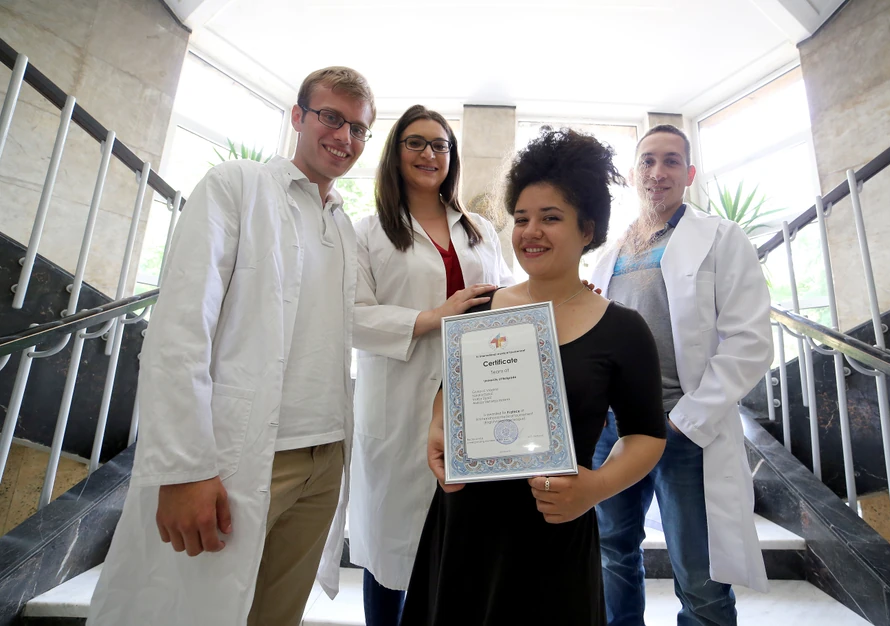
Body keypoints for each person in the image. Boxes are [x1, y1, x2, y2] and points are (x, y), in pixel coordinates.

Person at [87, 67, 376, 626]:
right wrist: (183, 469)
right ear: (298, 117)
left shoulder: (343, 225)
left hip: (324, 460)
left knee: (276, 616)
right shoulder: (238, 185)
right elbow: (179, 330)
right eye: (331, 118)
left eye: (359, 128)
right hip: (239, 459)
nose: (345, 137)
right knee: (192, 614)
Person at [401, 128, 668, 626]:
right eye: (522, 218)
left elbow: (646, 435)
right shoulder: (481, 308)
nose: (531, 232)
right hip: (465, 526)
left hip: (554, 528)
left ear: (587, 229)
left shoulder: (622, 329)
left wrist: (595, 487)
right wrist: (438, 430)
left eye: (551, 217)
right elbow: (449, 393)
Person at [590, 124, 774, 626]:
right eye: (647, 161)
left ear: (689, 174)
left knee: (699, 574)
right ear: (633, 175)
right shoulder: (609, 253)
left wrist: (685, 419)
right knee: (611, 553)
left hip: (682, 426)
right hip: (613, 428)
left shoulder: (721, 238)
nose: (658, 171)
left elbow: (750, 340)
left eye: (671, 161)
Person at [349, 104, 513, 626]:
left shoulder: (480, 229)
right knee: (390, 547)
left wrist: (567, 294)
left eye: (440, 144)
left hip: (476, 399)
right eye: (415, 142)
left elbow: (511, 298)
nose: (429, 153)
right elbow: (349, 316)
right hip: (399, 406)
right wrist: (431, 318)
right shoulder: (367, 231)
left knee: (458, 542)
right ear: (395, 153)